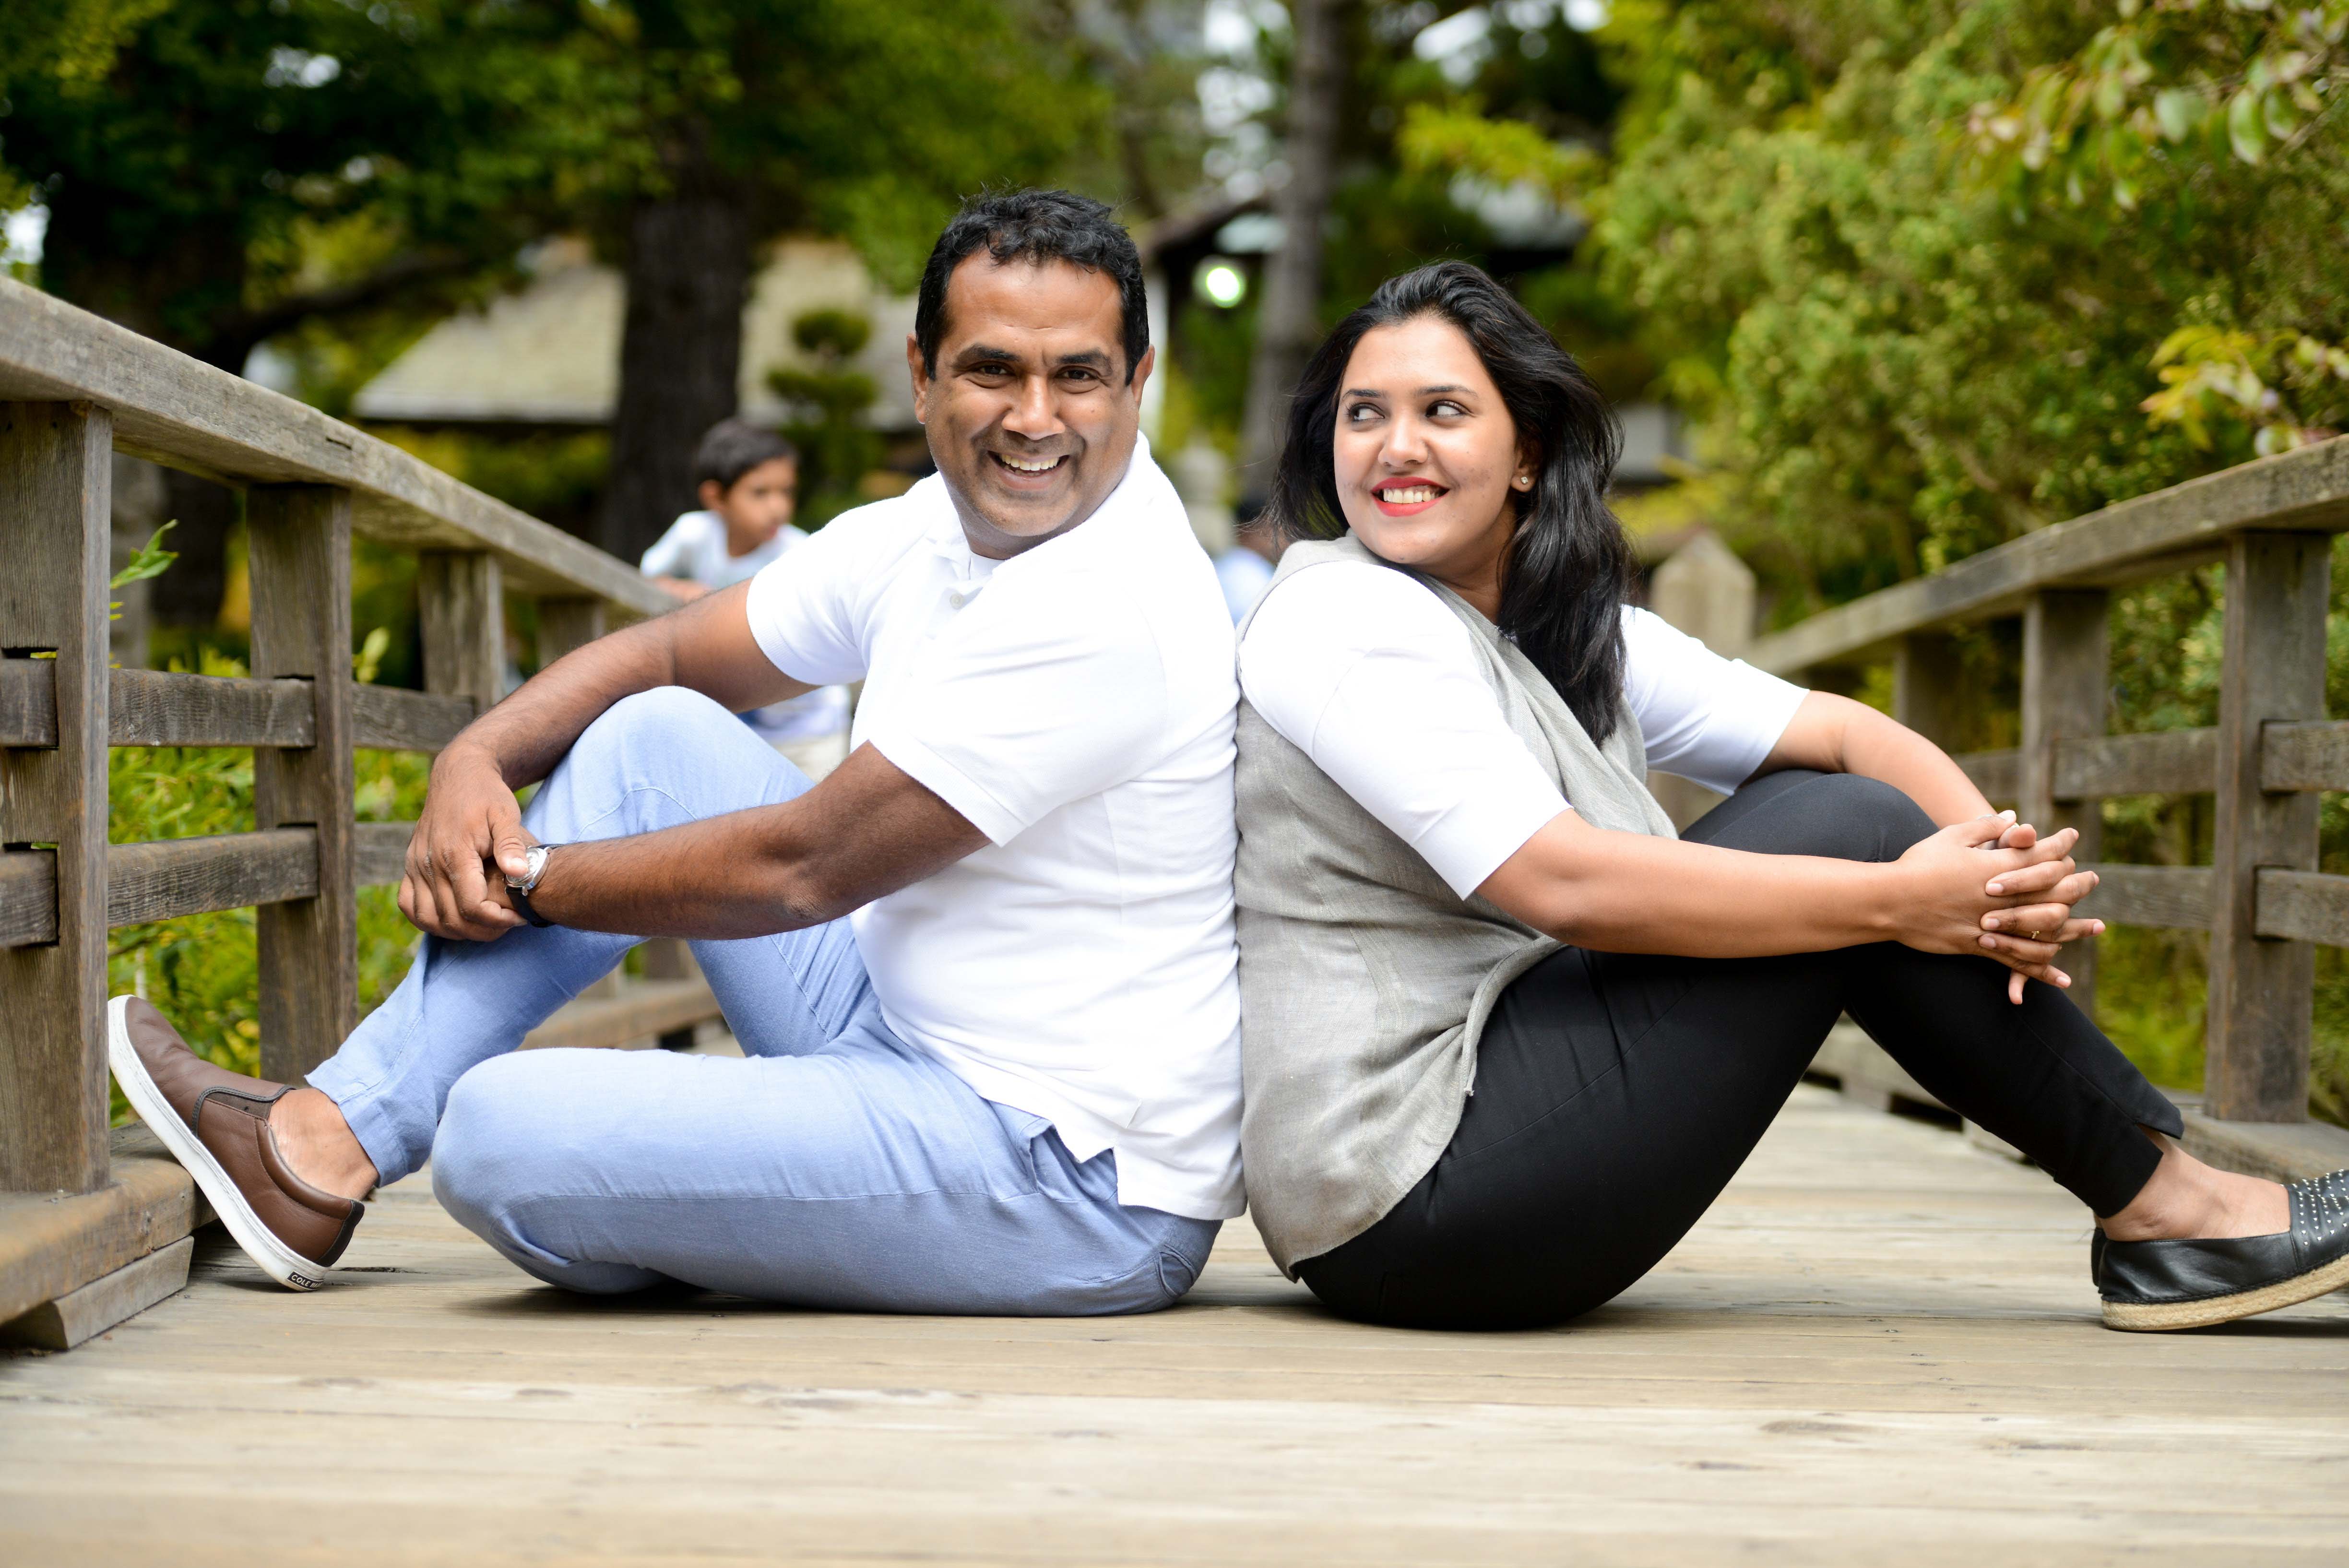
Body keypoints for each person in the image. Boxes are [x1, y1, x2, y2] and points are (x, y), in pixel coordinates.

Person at [108, 189, 1245, 1314]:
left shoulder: (1108, 601)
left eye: (1079, 375)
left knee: (502, 1129)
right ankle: (328, 1142)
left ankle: (681, 1203)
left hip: (1060, 1169)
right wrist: (478, 755)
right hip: (886, 1023)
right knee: (655, 733)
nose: (1034, 416)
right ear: (922, 373)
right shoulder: (928, 528)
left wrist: (533, 875)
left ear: (1135, 383)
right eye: (994, 368)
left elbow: (801, 868)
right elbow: (670, 649)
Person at [1232, 260, 2349, 1335]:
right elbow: (1560, 880)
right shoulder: (1340, 619)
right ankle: (2174, 1209)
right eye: (1362, 414)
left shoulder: (1559, 626)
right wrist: (1904, 902)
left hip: (1491, 1140)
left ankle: (2169, 1200)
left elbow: (1841, 729)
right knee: (1853, 835)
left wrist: (1999, 884)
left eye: (1441, 409)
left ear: (1526, 451)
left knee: (1850, 802)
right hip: (1400, 1189)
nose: (1396, 446)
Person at [639, 420, 853, 780]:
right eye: (760, 493)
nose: (779, 508)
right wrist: (684, 591)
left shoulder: (797, 550)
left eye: (786, 492)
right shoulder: (694, 534)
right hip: (742, 721)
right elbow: (647, 577)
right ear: (716, 498)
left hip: (810, 724)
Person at [1213, 499, 1279, 624]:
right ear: (1248, 528)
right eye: (1272, 527)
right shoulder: (1252, 574)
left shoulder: (1221, 564)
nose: (1280, 535)